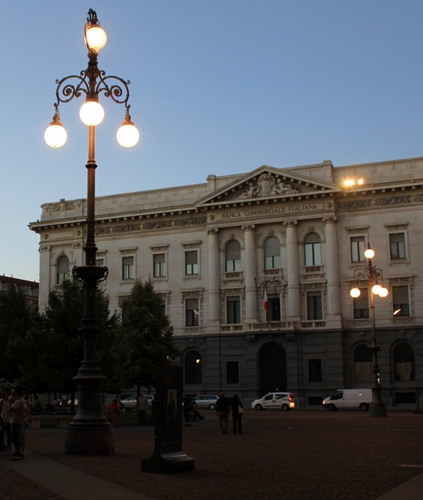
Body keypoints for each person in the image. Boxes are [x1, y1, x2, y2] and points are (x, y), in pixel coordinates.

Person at [8, 386, 26, 460]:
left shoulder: (19, 401)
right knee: (16, 437)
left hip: (17, 421)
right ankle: (17, 451)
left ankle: (18, 452)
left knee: (15, 437)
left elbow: (11, 408)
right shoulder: (19, 400)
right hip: (17, 420)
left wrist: (10, 402)